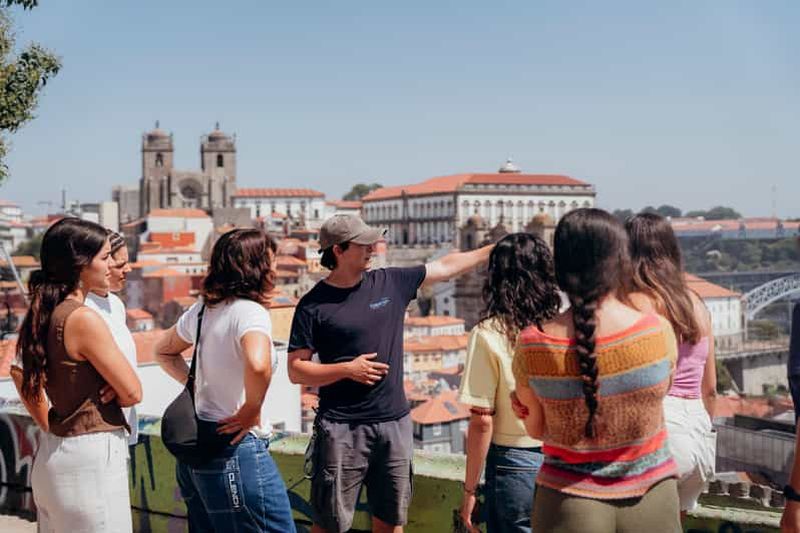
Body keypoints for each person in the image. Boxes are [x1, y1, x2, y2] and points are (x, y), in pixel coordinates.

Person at [288, 214, 494, 533]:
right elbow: (296, 370)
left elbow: (445, 267)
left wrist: (492, 249)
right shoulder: (313, 305)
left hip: (394, 425)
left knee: (392, 523)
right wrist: (347, 369)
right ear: (339, 251)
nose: (373, 247)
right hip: (342, 429)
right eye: (363, 244)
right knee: (329, 526)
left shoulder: (391, 282)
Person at [513, 208, 681, 533]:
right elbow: (659, 399)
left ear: (559, 267)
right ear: (621, 260)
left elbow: (536, 430)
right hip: (652, 495)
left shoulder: (533, 343)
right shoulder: (656, 332)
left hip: (566, 501)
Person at [155, 228, 295, 532]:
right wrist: (252, 408)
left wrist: (197, 386)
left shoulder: (203, 310)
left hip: (198, 451)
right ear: (256, 268)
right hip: (235, 450)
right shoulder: (250, 312)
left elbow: (163, 352)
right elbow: (258, 365)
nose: (275, 270)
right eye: (271, 262)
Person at [13, 217, 142, 532]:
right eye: (104, 257)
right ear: (81, 265)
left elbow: (23, 375)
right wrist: (111, 382)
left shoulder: (43, 314)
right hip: (92, 459)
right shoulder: (83, 319)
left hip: (56, 451)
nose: (111, 265)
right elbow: (133, 392)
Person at [458, 233, 561, 533]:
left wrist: (469, 492)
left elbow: (482, 423)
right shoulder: (562, 327)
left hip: (514, 460)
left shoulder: (488, 334)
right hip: (565, 458)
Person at [625, 213, 717, 513]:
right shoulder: (696, 303)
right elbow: (711, 389)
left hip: (658, 429)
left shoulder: (634, 304)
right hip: (698, 434)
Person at [84, 230, 139, 447]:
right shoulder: (81, 310)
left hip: (124, 427)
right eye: (120, 264)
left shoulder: (116, 305)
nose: (129, 269)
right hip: (98, 431)